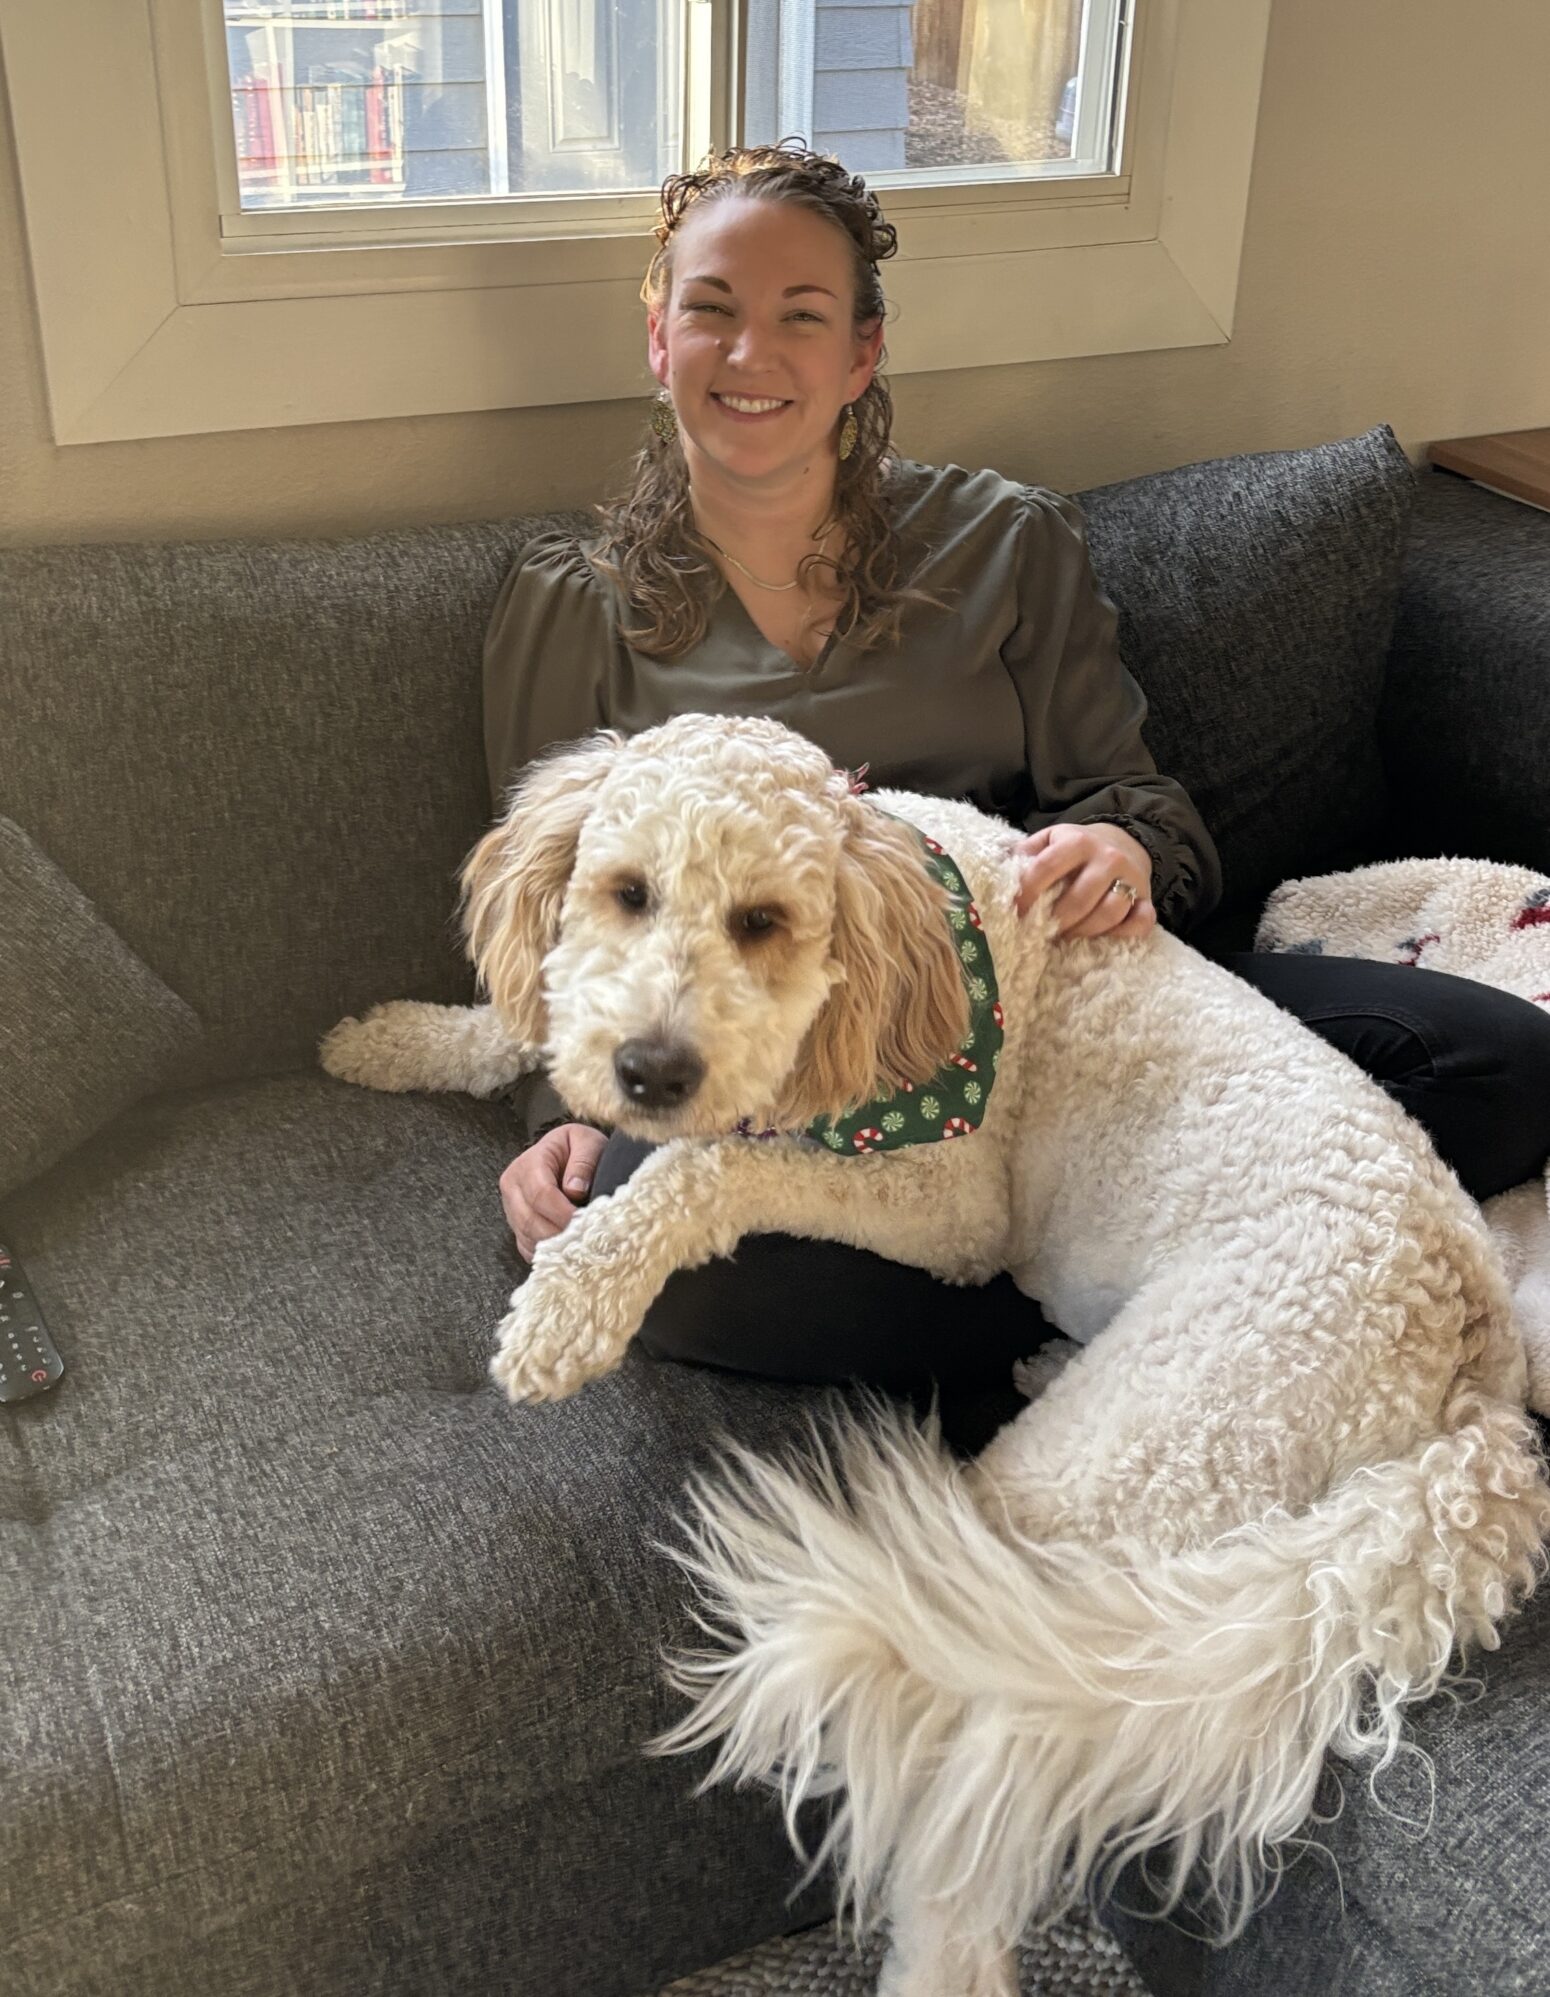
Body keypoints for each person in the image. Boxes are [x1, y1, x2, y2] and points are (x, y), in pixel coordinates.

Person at [482, 142, 1550, 1454]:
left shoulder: (1003, 542)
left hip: (1058, 1025)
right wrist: (563, 1122)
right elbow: (555, 921)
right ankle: (1182, 1302)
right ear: (660, 336)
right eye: (712, 308)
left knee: (1502, 1066)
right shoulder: (569, 602)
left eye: (801, 315)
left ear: (862, 353)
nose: (750, 352)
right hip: (782, 1093)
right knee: (674, 1268)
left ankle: (1201, 1280)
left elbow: (1141, 807)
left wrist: (1119, 847)